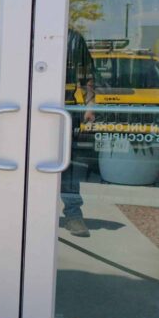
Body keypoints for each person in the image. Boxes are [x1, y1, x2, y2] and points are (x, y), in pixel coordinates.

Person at [62, 28, 97, 237]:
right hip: (26, 112)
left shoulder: (73, 38)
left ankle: (73, 215)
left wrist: (90, 104)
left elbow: (87, 75)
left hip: (63, 109)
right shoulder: (22, 30)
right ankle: (23, 214)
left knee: (67, 165)